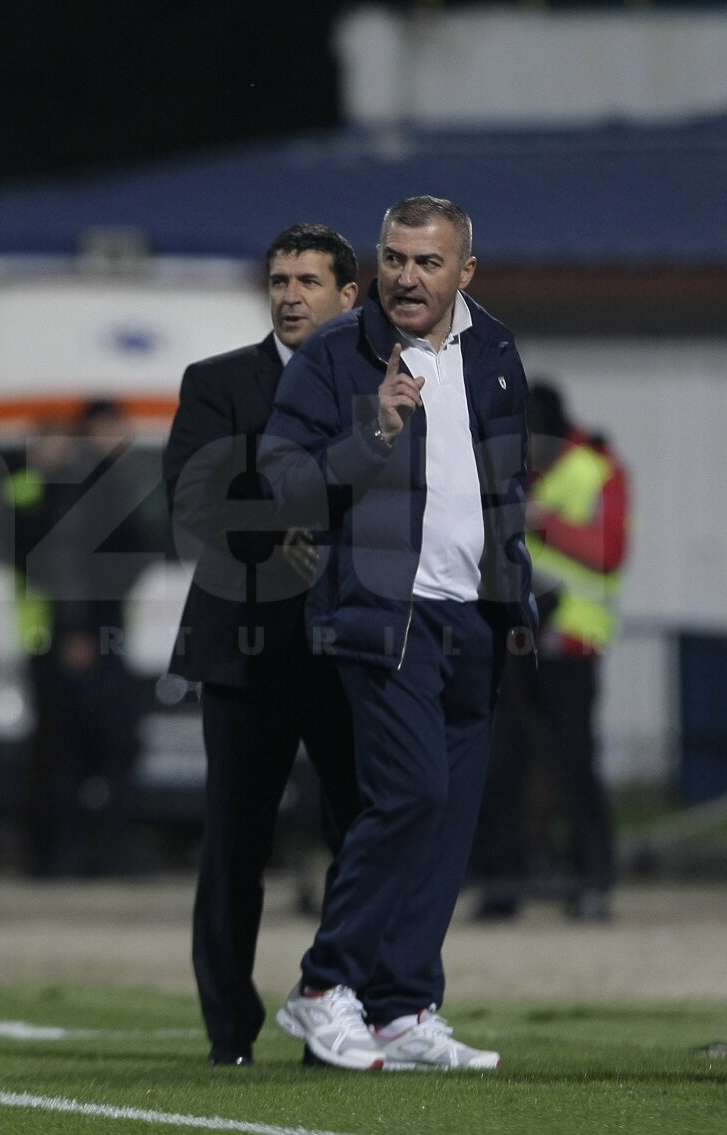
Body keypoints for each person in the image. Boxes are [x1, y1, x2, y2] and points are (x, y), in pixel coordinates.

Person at [259, 196, 536, 1071]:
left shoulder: (496, 350)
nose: (407, 277)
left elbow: (505, 488)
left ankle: (403, 1005)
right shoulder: (336, 352)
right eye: (393, 258)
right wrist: (371, 433)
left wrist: (516, 593)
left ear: (465, 271)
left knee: (446, 820)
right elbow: (280, 486)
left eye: (427, 262)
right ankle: (323, 986)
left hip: (476, 616)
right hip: (387, 612)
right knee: (411, 794)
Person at [162, 223, 361, 1067]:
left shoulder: (381, 386)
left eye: (307, 281)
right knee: (235, 844)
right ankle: (228, 1030)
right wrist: (286, 537)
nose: (289, 295)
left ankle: (338, 1013)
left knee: (359, 838)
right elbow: (193, 498)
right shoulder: (217, 383)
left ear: (348, 295)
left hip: (353, 650)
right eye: (279, 280)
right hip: (245, 649)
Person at [470, 380, 630, 922]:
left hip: (573, 642)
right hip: (517, 638)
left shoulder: (597, 470)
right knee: (502, 763)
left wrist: (542, 520)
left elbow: (609, 549)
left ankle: (592, 878)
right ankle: (501, 883)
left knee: (572, 764)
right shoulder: (514, 468)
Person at [13, 400, 148, 877]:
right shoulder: (79, 485)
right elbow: (68, 563)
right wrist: (78, 631)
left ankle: (81, 852)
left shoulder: (105, 482)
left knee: (89, 748)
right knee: (78, 749)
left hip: (88, 633)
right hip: (76, 636)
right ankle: (73, 854)